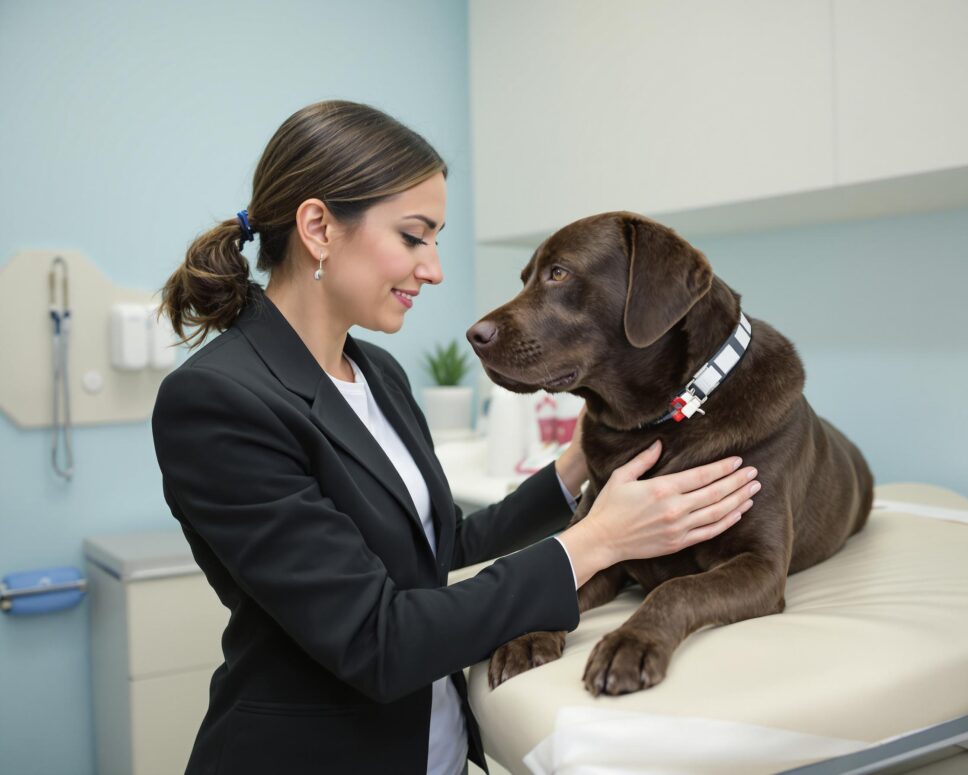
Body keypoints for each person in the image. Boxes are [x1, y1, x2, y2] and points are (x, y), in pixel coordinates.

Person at [151, 100, 760, 775]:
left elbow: (437, 552)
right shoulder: (219, 401)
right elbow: (375, 637)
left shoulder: (375, 372)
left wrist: (577, 465)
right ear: (319, 227)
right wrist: (599, 540)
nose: (434, 268)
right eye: (415, 236)